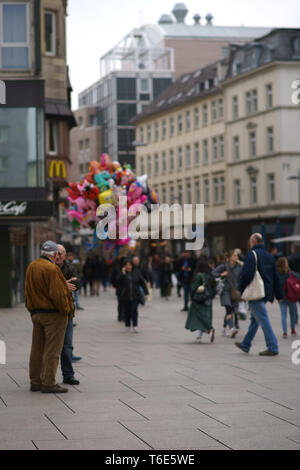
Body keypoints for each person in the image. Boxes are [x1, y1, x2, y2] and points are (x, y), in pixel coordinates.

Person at [25, 241, 74, 394]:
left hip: (36, 313)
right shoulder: (52, 269)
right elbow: (57, 295)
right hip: (53, 315)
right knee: (53, 349)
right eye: (57, 254)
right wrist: (65, 310)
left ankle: (35, 381)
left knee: (37, 349)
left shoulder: (32, 266)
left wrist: (31, 309)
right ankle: (48, 382)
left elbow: (27, 290)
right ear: (53, 254)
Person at [235, 233, 283, 357]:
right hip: (266, 292)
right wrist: (279, 295)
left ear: (254, 242)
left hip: (256, 292)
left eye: (250, 242)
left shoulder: (252, 254)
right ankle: (246, 344)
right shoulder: (269, 255)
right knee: (255, 319)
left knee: (262, 318)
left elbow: (247, 274)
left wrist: (240, 289)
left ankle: (272, 346)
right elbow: (276, 276)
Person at [56, 245, 81, 385]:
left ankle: (68, 375)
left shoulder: (69, 267)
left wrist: (69, 284)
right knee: (49, 346)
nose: (59, 256)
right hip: (51, 311)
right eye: (56, 253)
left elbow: (77, 283)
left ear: (65, 255)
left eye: (61, 253)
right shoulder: (49, 267)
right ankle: (46, 376)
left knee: (67, 345)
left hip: (67, 310)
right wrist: (63, 284)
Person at [213, 250, 242, 338]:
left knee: (231, 310)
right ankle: (232, 328)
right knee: (228, 308)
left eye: (237, 255)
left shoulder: (239, 267)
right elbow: (213, 273)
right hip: (225, 290)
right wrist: (221, 274)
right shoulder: (224, 266)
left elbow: (241, 277)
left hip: (235, 291)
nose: (236, 257)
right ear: (229, 257)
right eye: (234, 255)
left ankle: (223, 328)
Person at [185, 260, 217, 342]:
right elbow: (214, 288)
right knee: (206, 315)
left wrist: (192, 297)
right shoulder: (210, 275)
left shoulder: (198, 276)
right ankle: (200, 335)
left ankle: (209, 328)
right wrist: (211, 296)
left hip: (198, 299)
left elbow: (193, 288)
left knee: (199, 316)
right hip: (208, 299)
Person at [117, 259, 149, 333]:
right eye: (126, 265)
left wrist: (146, 293)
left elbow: (142, 283)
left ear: (132, 265)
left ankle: (135, 325)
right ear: (124, 266)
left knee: (134, 310)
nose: (128, 266)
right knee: (127, 311)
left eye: (130, 265)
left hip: (135, 295)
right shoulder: (122, 273)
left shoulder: (136, 272)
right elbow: (117, 282)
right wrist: (122, 274)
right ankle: (127, 326)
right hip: (125, 295)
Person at [276, 257, 300, 338]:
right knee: (292, 313)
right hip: (291, 296)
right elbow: (298, 278)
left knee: (283, 314)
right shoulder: (291, 273)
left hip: (282, 297)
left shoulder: (277, 274)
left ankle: (285, 332)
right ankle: (293, 329)